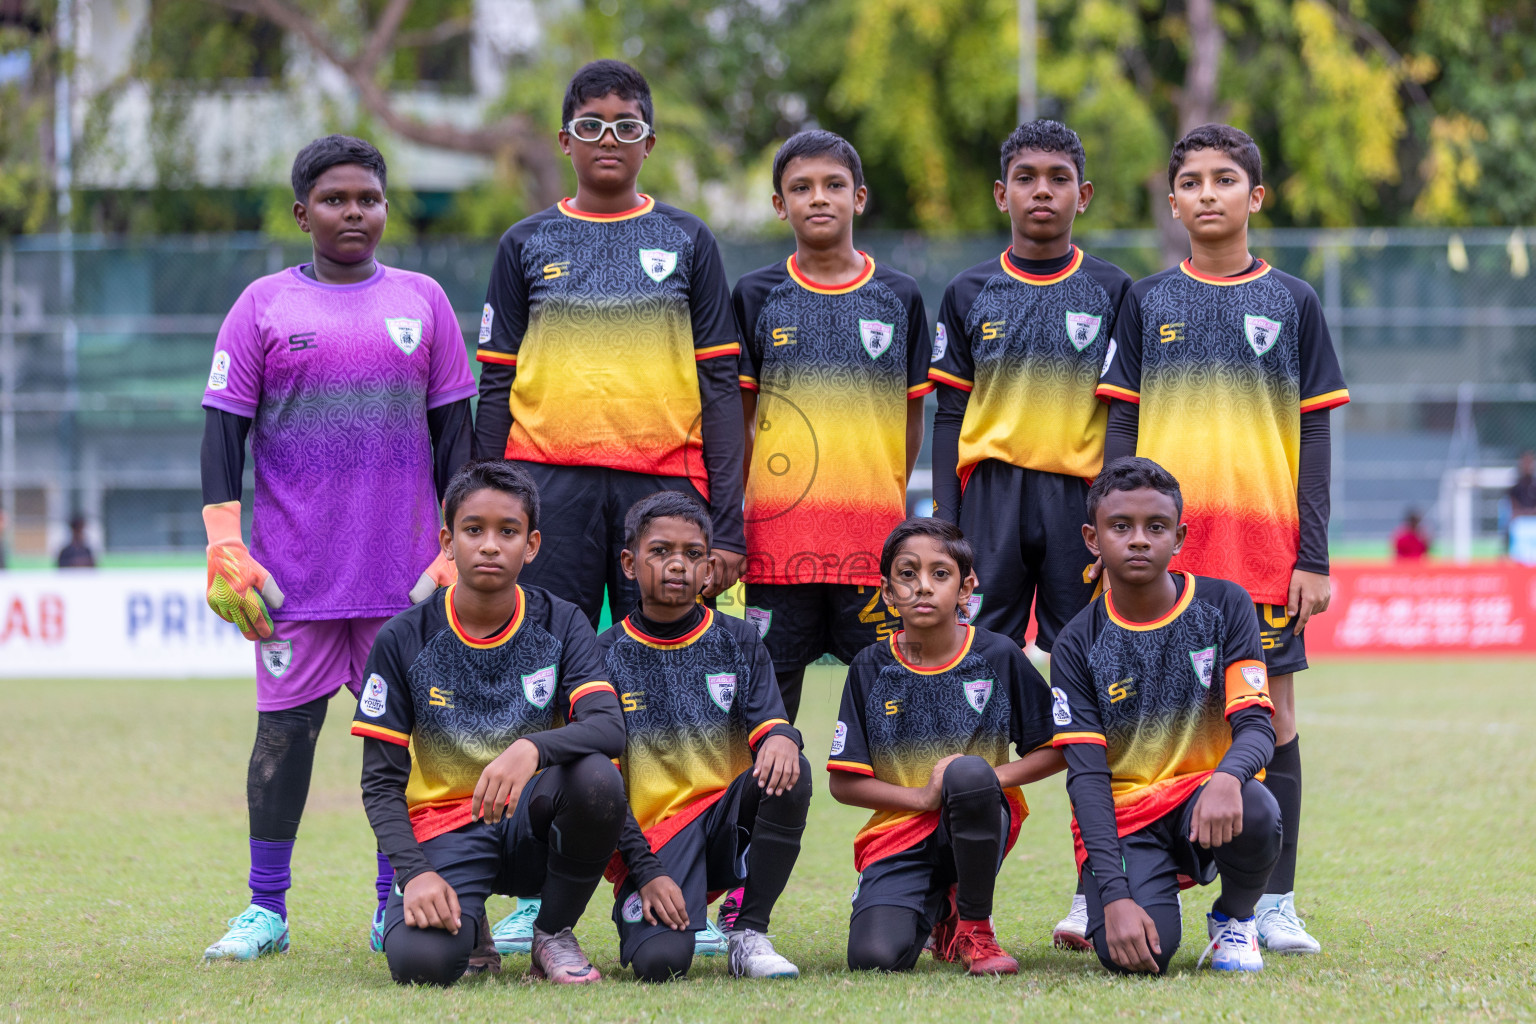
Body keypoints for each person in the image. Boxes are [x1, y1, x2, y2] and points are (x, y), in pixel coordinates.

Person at [472, 61, 747, 950]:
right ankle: (528, 887)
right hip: (548, 482)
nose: (607, 141)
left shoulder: (688, 240)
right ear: (564, 141)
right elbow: (493, 389)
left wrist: (726, 521)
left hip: (660, 489)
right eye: (590, 126)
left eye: (626, 126)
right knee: (540, 686)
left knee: (668, 691)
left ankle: (674, 882)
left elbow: (718, 390)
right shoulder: (522, 244)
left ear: (649, 141)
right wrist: (485, 502)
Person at [198, 135, 475, 962]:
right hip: (293, 583)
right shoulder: (262, 306)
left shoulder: (425, 300)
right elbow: (223, 433)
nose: (354, 211)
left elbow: (455, 435)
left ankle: (393, 902)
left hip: (406, 586)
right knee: (283, 741)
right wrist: (222, 543)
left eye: (368, 199)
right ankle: (266, 909)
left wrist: (456, 545)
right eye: (335, 199)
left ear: (386, 209)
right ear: (302, 213)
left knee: (408, 748)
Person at [1096, 123, 1348, 955]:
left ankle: (1272, 899)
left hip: (1264, 555)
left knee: (1270, 714)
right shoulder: (1145, 300)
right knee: (1139, 719)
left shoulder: (1294, 302)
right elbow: (1121, 422)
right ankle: (1104, 879)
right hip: (1161, 560)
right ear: (1173, 202)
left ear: (1255, 197)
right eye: (1192, 181)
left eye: (1224, 179)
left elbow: (1315, 438)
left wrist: (1311, 554)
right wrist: (1108, 534)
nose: (1208, 193)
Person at [927, 120, 1133, 952]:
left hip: (1082, 505)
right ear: (1001, 193)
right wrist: (945, 525)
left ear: (1084, 195)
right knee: (963, 691)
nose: (1041, 190)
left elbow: (1124, 412)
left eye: (1058, 177)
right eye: (1026, 176)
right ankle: (946, 895)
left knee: (1102, 685)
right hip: (992, 507)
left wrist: (1112, 510)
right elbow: (948, 410)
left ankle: (1098, 887)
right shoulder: (969, 291)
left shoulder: (1116, 289)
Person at [353, 460, 627, 986]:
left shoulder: (562, 620)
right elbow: (380, 782)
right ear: (447, 542)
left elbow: (609, 725)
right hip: (445, 828)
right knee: (421, 967)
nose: (489, 545)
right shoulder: (402, 638)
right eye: (473, 529)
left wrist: (532, 748)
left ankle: (552, 933)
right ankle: (468, 917)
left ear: (533, 545)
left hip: (532, 827)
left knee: (597, 778)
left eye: (508, 531)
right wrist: (415, 873)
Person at [1050, 457, 1281, 975]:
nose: (1138, 540)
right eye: (1120, 527)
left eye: (1155, 528)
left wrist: (1227, 775)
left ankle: (1235, 920)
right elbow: (1086, 779)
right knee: (1137, 961)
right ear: (1093, 538)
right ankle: (1146, 887)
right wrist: (1113, 895)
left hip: (1205, 801)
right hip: (1127, 818)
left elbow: (1258, 727)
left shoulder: (1225, 606)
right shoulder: (1076, 643)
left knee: (1258, 806)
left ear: (1178, 537)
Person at [734, 129, 932, 727]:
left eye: (833, 185)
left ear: (859, 197)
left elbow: (912, 416)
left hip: (871, 546)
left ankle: (903, 823)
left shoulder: (899, 295)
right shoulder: (755, 295)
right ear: (780, 205)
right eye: (801, 187)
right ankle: (759, 825)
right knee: (763, 721)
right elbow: (742, 421)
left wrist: (883, 494)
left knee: (895, 714)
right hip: (775, 551)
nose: (818, 198)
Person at [829, 517, 1062, 976]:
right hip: (901, 830)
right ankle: (940, 910)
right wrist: (921, 796)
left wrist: (980, 780)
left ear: (965, 587)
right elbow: (843, 782)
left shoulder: (997, 655)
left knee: (968, 772)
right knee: (875, 959)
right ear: (887, 590)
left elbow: (1056, 748)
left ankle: (976, 927)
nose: (922, 587)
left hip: (978, 816)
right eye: (907, 574)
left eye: (940, 574)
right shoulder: (870, 666)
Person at [601, 491, 809, 981]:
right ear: (630, 563)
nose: (678, 565)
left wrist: (784, 736)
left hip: (722, 820)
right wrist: (644, 869)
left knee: (788, 773)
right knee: (661, 965)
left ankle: (747, 929)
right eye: (661, 552)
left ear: (710, 570)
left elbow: (771, 725)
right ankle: (660, 903)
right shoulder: (602, 653)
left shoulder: (739, 639)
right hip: (653, 841)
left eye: (693, 555)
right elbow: (601, 784)